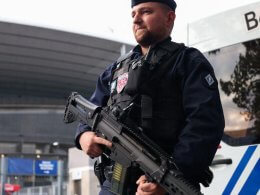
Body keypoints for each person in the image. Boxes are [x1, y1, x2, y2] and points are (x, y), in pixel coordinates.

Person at [74, 0, 225, 194]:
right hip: (114, 183)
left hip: (165, 183)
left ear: (169, 18)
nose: (136, 19)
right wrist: (83, 135)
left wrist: (171, 178)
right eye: (133, 14)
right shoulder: (117, 69)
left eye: (145, 12)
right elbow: (92, 108)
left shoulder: (189, 62)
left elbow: (204, 125)